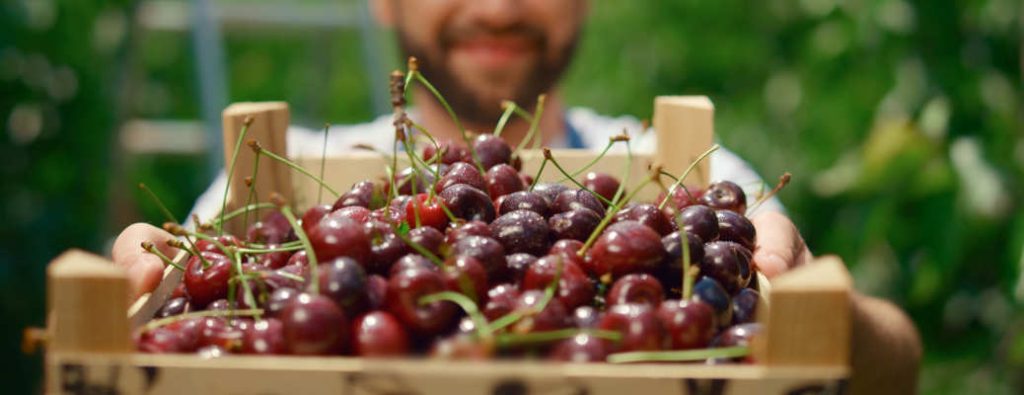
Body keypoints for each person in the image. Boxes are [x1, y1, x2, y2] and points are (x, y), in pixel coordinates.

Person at [111, 1, 920, 393]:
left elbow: (898, 367)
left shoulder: (690, 177)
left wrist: (820, 307)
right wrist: (127, 310)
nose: (497, 6)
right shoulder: (276, 178)